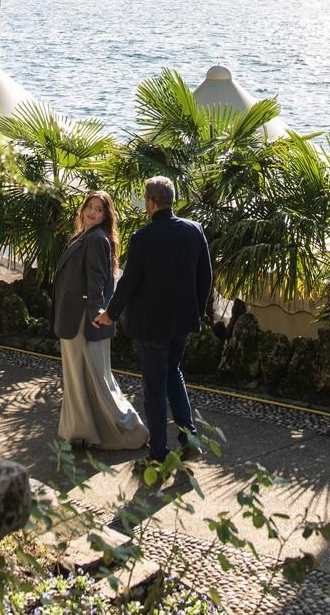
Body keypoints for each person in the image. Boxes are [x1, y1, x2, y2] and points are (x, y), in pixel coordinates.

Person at [93, 175, 212, 469]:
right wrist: (196, 311)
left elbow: (129, 282)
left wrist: (110, 313)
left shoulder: (142, 238)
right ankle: (190, 439)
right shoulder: (194, 230)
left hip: (150, 325)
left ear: (151, 202)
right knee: (174, 372)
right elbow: (205, 276)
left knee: (155, 388)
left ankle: (158, 454)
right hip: (183, 321)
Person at [52, 190, 148, 452]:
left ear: (107, 215)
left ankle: (130, 430)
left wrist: (96, 313)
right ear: (82, 210)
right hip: (76, 316)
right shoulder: (86, 236)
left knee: (94, 378)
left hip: (84, 319)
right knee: (82, 377)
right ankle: (81, 433)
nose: (92, 213)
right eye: (89, 207)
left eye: (99, 209)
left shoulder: (95, 239)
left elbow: (97, 280)